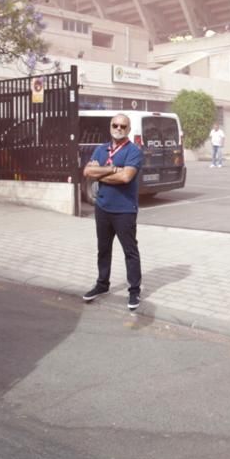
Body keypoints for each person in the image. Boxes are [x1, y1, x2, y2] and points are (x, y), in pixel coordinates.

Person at [81, 114, 145, 311]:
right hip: (102, 207)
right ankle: (102, 285)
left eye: (123, 125)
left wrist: (101, 172)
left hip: (124, 210)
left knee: (130, 251)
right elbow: (87, 172)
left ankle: (134, 290)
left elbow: (126, 177)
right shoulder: (101, 149)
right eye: (115, 125)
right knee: (103, 249)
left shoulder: (134, 151)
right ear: (110, 126)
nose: (118, 128)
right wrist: (112, 169)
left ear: (128, 128)